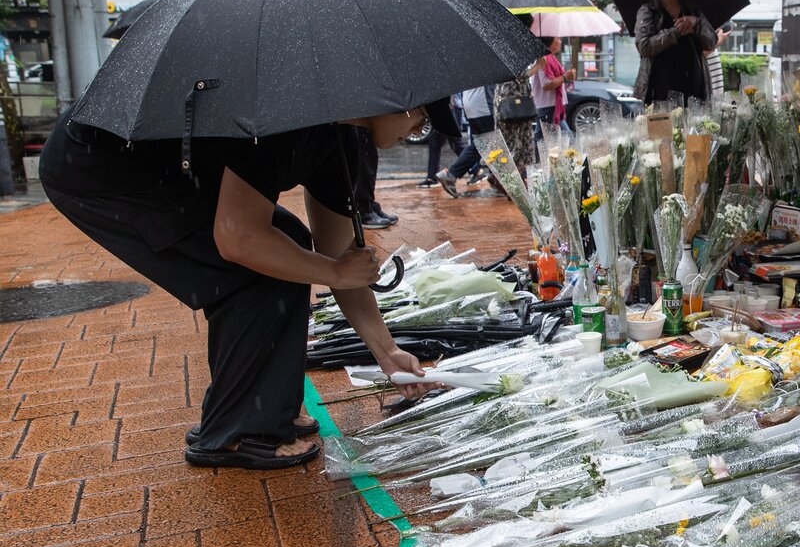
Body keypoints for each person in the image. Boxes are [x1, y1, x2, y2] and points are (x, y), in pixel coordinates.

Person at [40, 100, 459, 469]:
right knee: (257, 272)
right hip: (103, 166)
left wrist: (387, 353)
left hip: (160, 165)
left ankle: (256, 411)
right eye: (421, 123)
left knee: (289, 247)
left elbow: (338, 253)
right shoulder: (286, 120)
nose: (414, 134)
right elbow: (239, 240)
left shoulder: (346, 136)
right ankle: (237, 433)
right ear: (398, 103)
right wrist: (331, 272)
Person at [633, 0, 717, 105]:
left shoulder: (694, 10)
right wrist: (676, 32)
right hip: (659, 93)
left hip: (694, 91)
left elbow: (711, 42)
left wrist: (697, 24)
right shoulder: (648, 10)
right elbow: (643, 46)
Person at [436, 86, 492, 197]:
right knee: (493, 143)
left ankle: (451, 174)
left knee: (480, 145)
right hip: (484, 106)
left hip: (470, 106)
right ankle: (451, 174)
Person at [531, 36, 575, 138]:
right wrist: (565, 76)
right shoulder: (545, 59)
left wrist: (567, 76)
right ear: (550, 41)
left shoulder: (551, 58)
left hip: (554, 105)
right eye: (558, 38)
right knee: (542, 138)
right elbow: (547, 85)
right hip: (548, 105)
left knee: (565, 137)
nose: (560, 41)